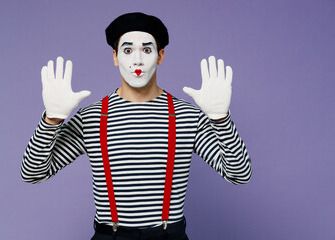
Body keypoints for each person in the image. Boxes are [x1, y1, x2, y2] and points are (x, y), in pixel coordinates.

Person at [21, 12, 252, 240]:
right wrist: (51, 120)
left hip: (168, 236)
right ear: (115, 57)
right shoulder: (91, 117)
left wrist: (221, 119)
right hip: (109, 236)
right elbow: (33, 173)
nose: (137, 60)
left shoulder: (186, 115)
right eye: (128, 50)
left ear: (160, 56)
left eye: (147, 50)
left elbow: (239, 174)